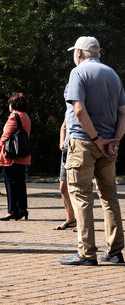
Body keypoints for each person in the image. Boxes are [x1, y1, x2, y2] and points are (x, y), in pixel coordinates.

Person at [60, 36, 125, 266]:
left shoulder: (78, 73)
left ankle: (86, 253)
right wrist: (114, 140)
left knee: (82, 196)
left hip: (83, 142)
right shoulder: (113, 75)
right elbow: (122, 113)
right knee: (110, 198)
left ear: (79, 53)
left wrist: (97, 139)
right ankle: (116, 251)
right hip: (108, 147)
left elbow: (78, 110)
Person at [0, 93, 32, 221]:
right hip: (23, 155)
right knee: (21, 183)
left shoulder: (13, 117)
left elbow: (6, 135)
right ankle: (22, 209)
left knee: (10, 183)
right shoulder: (26, 116)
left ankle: (12, 211)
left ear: (13, 105)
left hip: (11, 156)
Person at [54, 116, 76, 231]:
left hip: (79, 149)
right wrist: (62, 140)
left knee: (80, 188)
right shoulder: (70, 105)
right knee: (63, 187)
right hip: (66, 150)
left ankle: (83, 222)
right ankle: (71, 220)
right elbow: (64, 125)